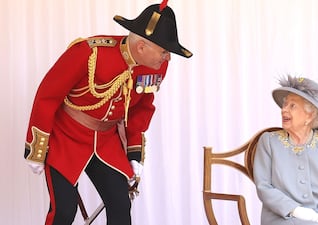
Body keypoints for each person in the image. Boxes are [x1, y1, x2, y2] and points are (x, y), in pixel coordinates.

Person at [23, 1, 192, 224]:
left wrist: (133, 152)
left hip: (105, 141)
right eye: (164, 51)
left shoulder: (156, 66)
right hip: (66, 137)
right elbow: (48, 95)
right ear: (142, 47)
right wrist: (36, 146)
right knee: (64, 210)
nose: (167, 58)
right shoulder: (89, 53)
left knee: (121, 204)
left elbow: (141, 109)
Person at [253, 76, 318, 225]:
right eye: (284, 104)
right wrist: (295, 210)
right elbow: (264, 187)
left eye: (292, 106)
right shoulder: (269, 141)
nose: (283, 110)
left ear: (310, 115)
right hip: (282, 218)